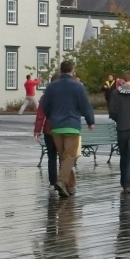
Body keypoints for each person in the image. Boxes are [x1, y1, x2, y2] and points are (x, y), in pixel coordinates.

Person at [41, 60, 96, 198]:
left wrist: (52, 116)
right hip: (72, 126)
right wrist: (90, 121)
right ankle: (61, 181)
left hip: (56, 127)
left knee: (64, 157)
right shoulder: (78, 86)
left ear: (61, 70)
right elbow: (85, 105)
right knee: (70, 156)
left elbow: (45, 105)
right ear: (72, 70)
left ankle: (70, 186)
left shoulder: (52, 86)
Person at [33, 73, 58, 189]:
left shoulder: (45, 97)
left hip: (49, 130)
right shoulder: (65, 96)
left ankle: (53, 182)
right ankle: (63, 180)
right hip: (62, 129)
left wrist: (37, 131)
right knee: (63, 156)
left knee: (51, 157)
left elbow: (40, 115)